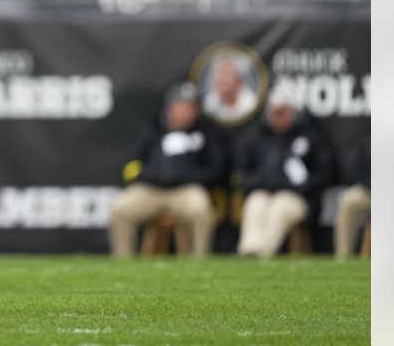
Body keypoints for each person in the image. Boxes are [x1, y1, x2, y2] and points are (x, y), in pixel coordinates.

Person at [108, 83, 230, 257]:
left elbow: (218, 169)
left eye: (193, 107)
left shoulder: (206, 133)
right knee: (119, 208)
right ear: (171, 108)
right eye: (184, 106)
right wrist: (152, 174)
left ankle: (200, 263)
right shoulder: (153, 130)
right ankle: (122, 262)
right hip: (152, 190)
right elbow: (132, 166)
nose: (189, 112)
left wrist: (187, 175)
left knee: (201, 209)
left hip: (185, 190)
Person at [236, 86, 336, 257]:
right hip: (263, 191)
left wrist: (305, 183)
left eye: (284, 112)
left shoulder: (311, 135)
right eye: (275, 112)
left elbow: (328, 173)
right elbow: (242, 174)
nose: (279, 117)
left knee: (281, 207)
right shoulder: (258, 136)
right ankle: (248, 252)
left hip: (298, 197)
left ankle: (262, 255)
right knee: (255, 204)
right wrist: (264, 180)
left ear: (294, 111)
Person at [334, 134, 370, 258]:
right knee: (349, 200)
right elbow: (359, 170)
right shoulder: (370, 138)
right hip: (370, 191)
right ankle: (343, 257)